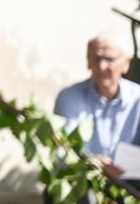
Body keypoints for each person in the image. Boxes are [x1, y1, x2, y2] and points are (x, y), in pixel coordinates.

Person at [54, 34, 140, 180]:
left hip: (131, 184)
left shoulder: (137, 99)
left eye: (109, 59)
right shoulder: (69, 97)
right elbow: (61, 150)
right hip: (82, 179)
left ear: (126, 64)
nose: (101, 66)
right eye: (96, 59)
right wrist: (92, 163)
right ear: (88, 62)